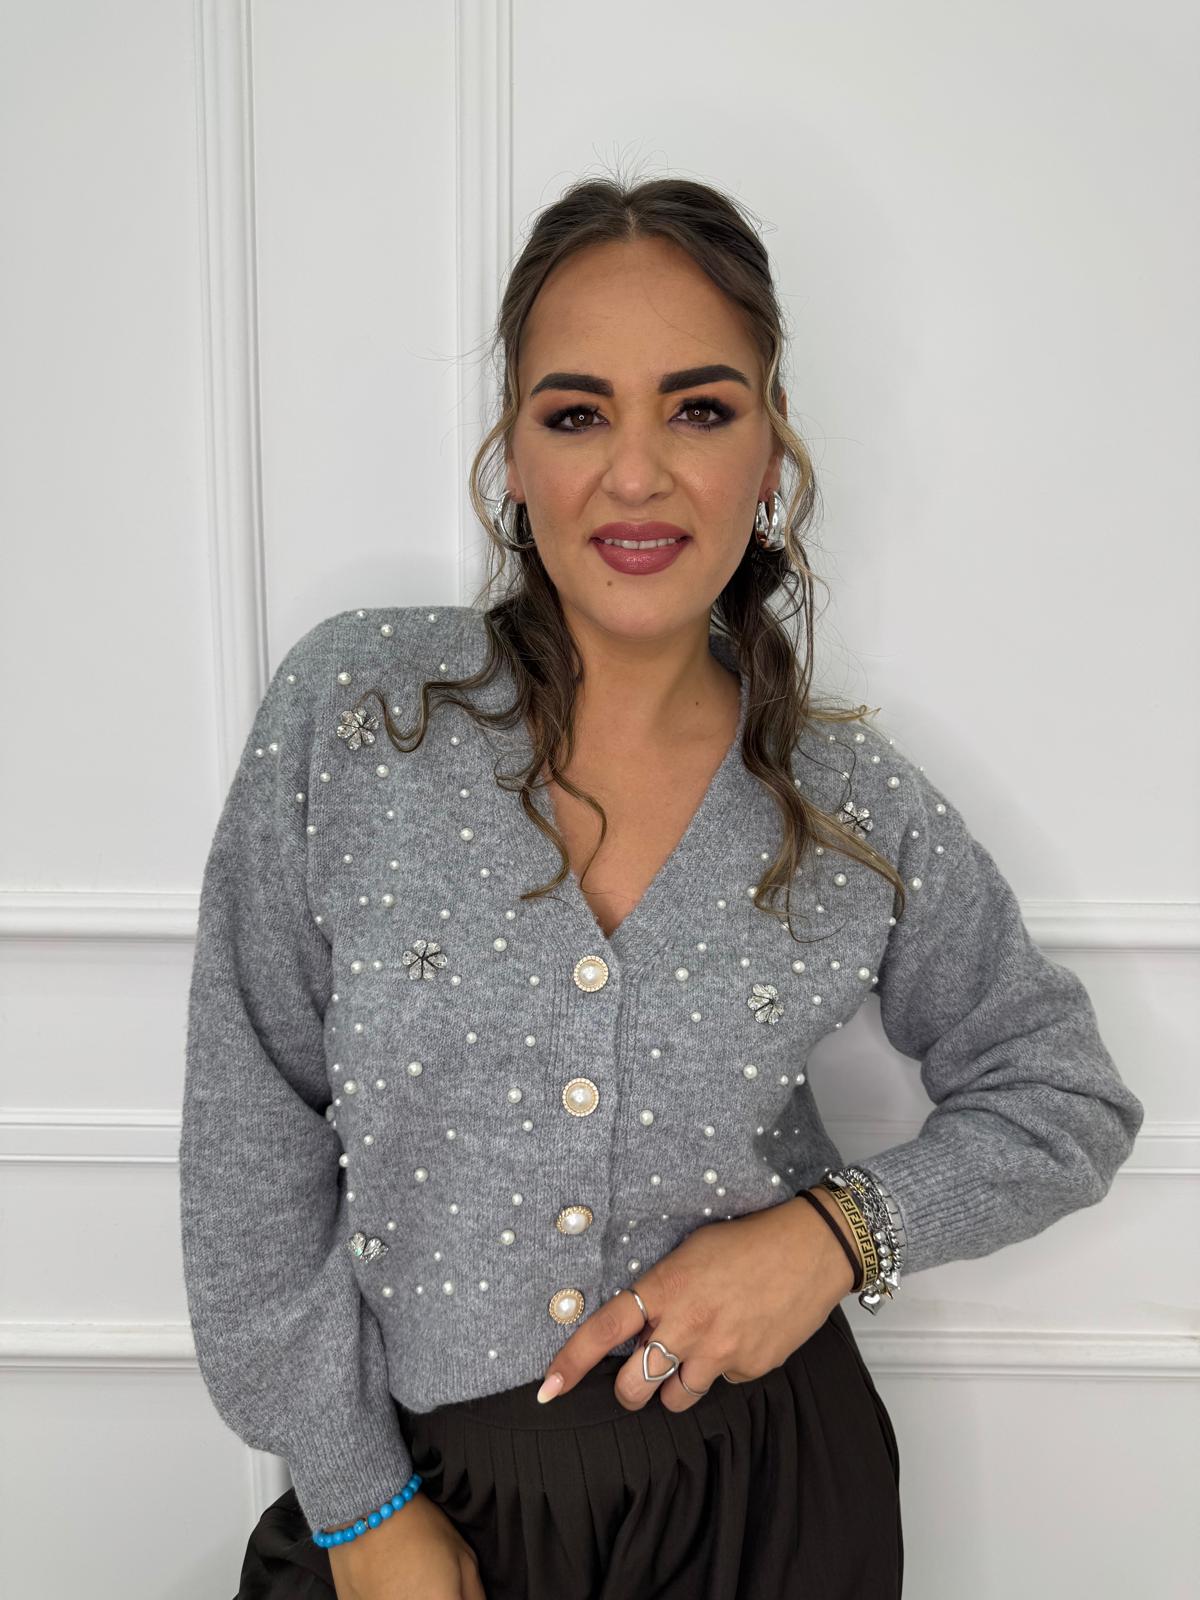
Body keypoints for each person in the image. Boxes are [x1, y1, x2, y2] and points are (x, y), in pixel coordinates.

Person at [180, 175, 1145, 1600]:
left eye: (699, 410)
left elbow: (1063, 1096)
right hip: (418, 1512)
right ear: (513, 452)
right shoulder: (359, 718)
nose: (636, 475)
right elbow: (249, 1131)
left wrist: (829, 1239)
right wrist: (357, 1505)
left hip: (770, 1508)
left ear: (772, 450)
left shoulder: (847, 805)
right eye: (578, 415)